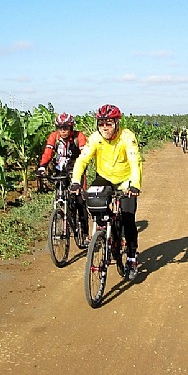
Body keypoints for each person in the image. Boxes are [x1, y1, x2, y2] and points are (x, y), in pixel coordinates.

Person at [69, 104, 142, 280]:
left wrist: (135, 185)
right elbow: (82, 160)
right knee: (95, 204)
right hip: (104, 178)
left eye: (108, 124)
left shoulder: (127, 137)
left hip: (125, 180)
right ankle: (104, 234)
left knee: (128, 218)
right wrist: (76, 182)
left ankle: (132, 258)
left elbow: (135, 161)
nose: (104, 128)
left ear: (117, 123)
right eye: (101, 124)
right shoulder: (95, 138)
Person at [36, 112, 90, 243]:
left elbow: (85, 154)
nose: (63, 131)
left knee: (80, 200)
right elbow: (48, 153)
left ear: (71, 127)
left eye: (66, 127)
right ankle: (63, 215)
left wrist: (81, 170)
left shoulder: (79, 136)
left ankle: (85, 233)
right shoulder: (54, 137)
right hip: (60, 170)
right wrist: (42, 166)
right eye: (60, 128)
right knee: (61, 194)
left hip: (76, 169)